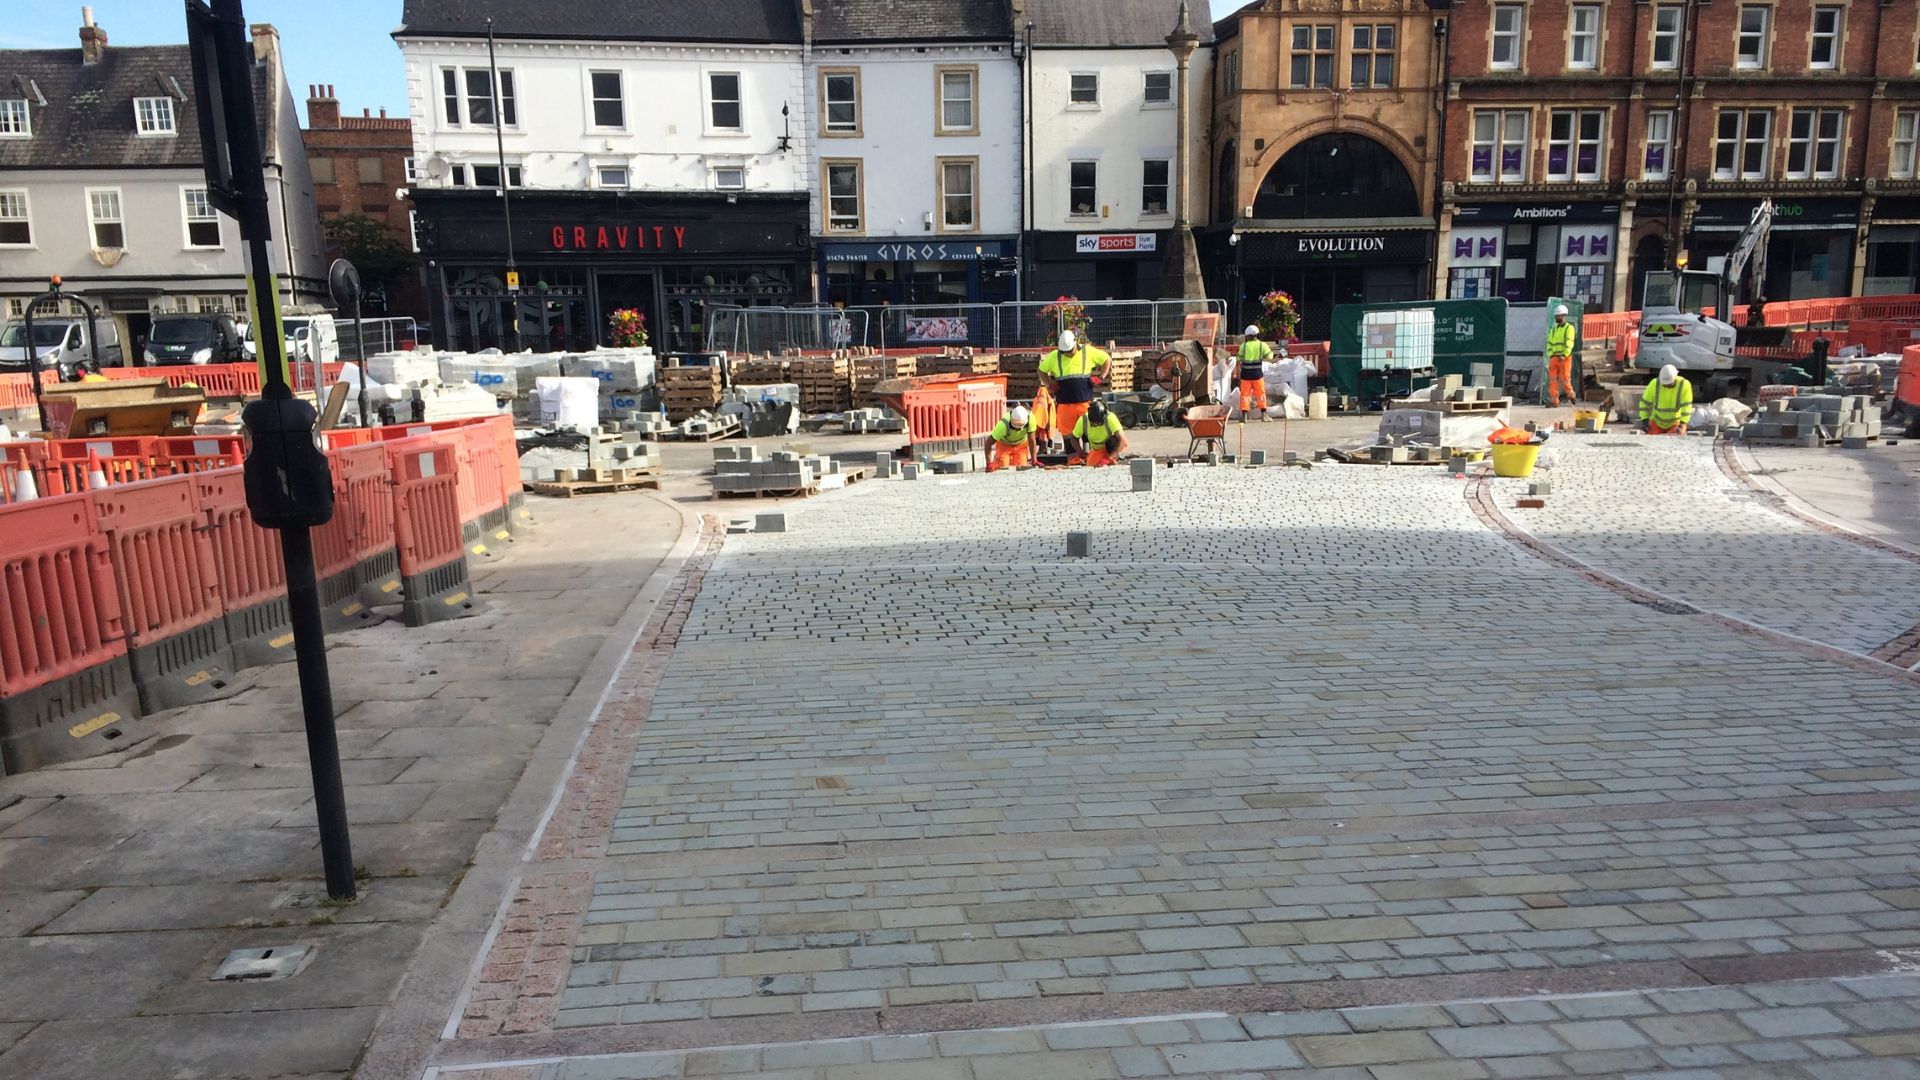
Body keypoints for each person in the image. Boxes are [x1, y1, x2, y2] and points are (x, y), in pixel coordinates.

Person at [1038, 330, 1109, 455]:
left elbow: (1106, 360)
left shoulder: (1088, 352)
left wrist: (1101, 376)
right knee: (1067, 433)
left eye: (1070, 351)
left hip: (1085, 402)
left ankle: (1089, 455)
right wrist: (1049, 384)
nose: (1068, 354)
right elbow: (1041, 370)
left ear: (1076, 343)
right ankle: (1072, 457)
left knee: (1088, 431)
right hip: (1065, 404)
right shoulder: (1055, 356)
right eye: (1065, 352)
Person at [1069, 399, 1129, 466]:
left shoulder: (1111, 418)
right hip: (1096, 449)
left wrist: (1108, 459)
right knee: (1091, 464)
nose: (1096, 425)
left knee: (1113, 441)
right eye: (1094, 423)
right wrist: (1080, 451)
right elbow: (1074, 438)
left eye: (1099, 423)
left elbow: (1122, 440)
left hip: (1109, 448)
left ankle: (1114, 458)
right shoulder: (1083, 420)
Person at [1639, 364, 1694, 434]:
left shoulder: (1684, 385)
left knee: (1675, 441)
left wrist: (1683, 423)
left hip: (1675, 423)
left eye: (1669, 384)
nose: (1666, 386)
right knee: (1651, 442)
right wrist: (1644, 420)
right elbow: (1644, 403)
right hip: (1656, 422)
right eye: (1664, 384)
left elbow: (1686, 406)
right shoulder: (1654, 384)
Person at [1236, 324, 1274, 421]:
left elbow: (1238, 358)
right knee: (1260, 394)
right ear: (1256, 334)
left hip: (1245, 375)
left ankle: (1244, 416)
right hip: (1257, 374)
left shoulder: (1243, 346)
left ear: (1247, 336)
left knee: (1245, 395)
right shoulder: (1262, 345)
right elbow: (1270, 356)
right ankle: (1264, 415)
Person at [986, 405, 1037, 472]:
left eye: (1021, 426)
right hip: (1004, 445)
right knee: (1002, 467)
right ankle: (997, 460)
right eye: (1016, 427)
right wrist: (989, 463)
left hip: (1021, 445)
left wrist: (1034, 460)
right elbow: (988, 443)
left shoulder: (1031, 420)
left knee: (1022, 467)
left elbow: (1032, 440)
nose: (1019, 429)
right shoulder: (1003, 425)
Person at [1546, 304, 1577, 407]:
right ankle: (1554, 401)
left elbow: (1570, 342)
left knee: (1565, 379)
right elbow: (1549, 343)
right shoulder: (1554, 329)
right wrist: (1551, 355)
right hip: (1554, 358)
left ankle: (1571, 395)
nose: (1556, 317)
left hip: (1564, 358)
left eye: (1558, 315)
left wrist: (1564, 355)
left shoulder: (1569, 328)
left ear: (1563, 315)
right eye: (1556, 316)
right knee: (1552, 380)